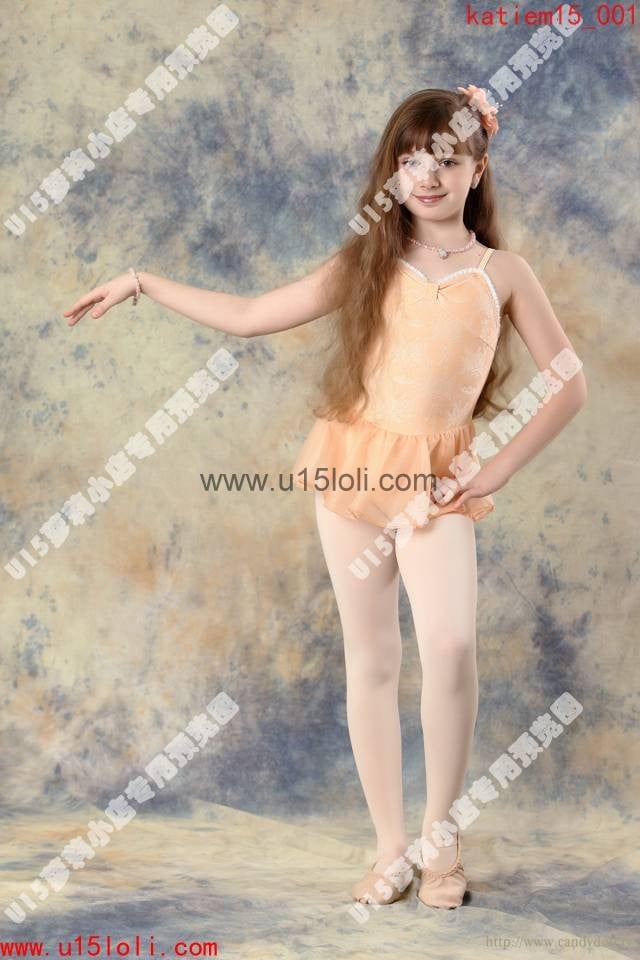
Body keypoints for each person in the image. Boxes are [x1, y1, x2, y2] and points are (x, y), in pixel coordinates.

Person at [62, 85, 587, 910]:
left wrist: (495, 469)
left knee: (450, 646)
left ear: (478, 170)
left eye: (446, 160)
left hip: (435, 488)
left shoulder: (503, 273)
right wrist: (141, 281)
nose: (427, 176)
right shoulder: (370, 260)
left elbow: (569, 382)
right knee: (371, 660)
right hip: (350, 477)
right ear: (394, 172)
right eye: (410, 160)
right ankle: (391, 848)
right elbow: (250, 315)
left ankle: (442, 836)